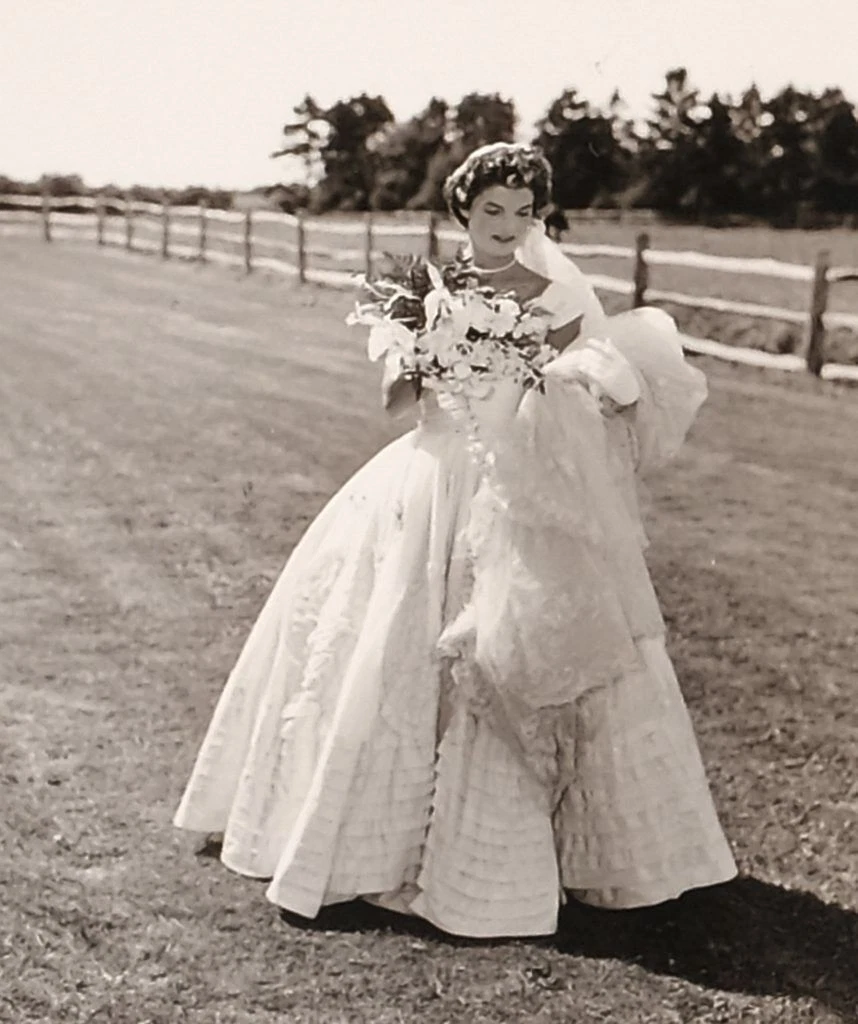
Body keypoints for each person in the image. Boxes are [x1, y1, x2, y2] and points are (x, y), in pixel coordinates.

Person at [173, 142, 736, 939]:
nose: (508, 226)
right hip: (428, 480)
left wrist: (549, 378)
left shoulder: (558, 297)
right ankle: (373, 840)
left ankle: (559, 854)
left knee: (520, 649)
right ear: (463, 213)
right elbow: (392, 402)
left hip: (511, 488)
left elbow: (589, 400)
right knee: (394, 639)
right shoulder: (428, 293)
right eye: (493, 211)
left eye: (523, 213)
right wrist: (432, 351)